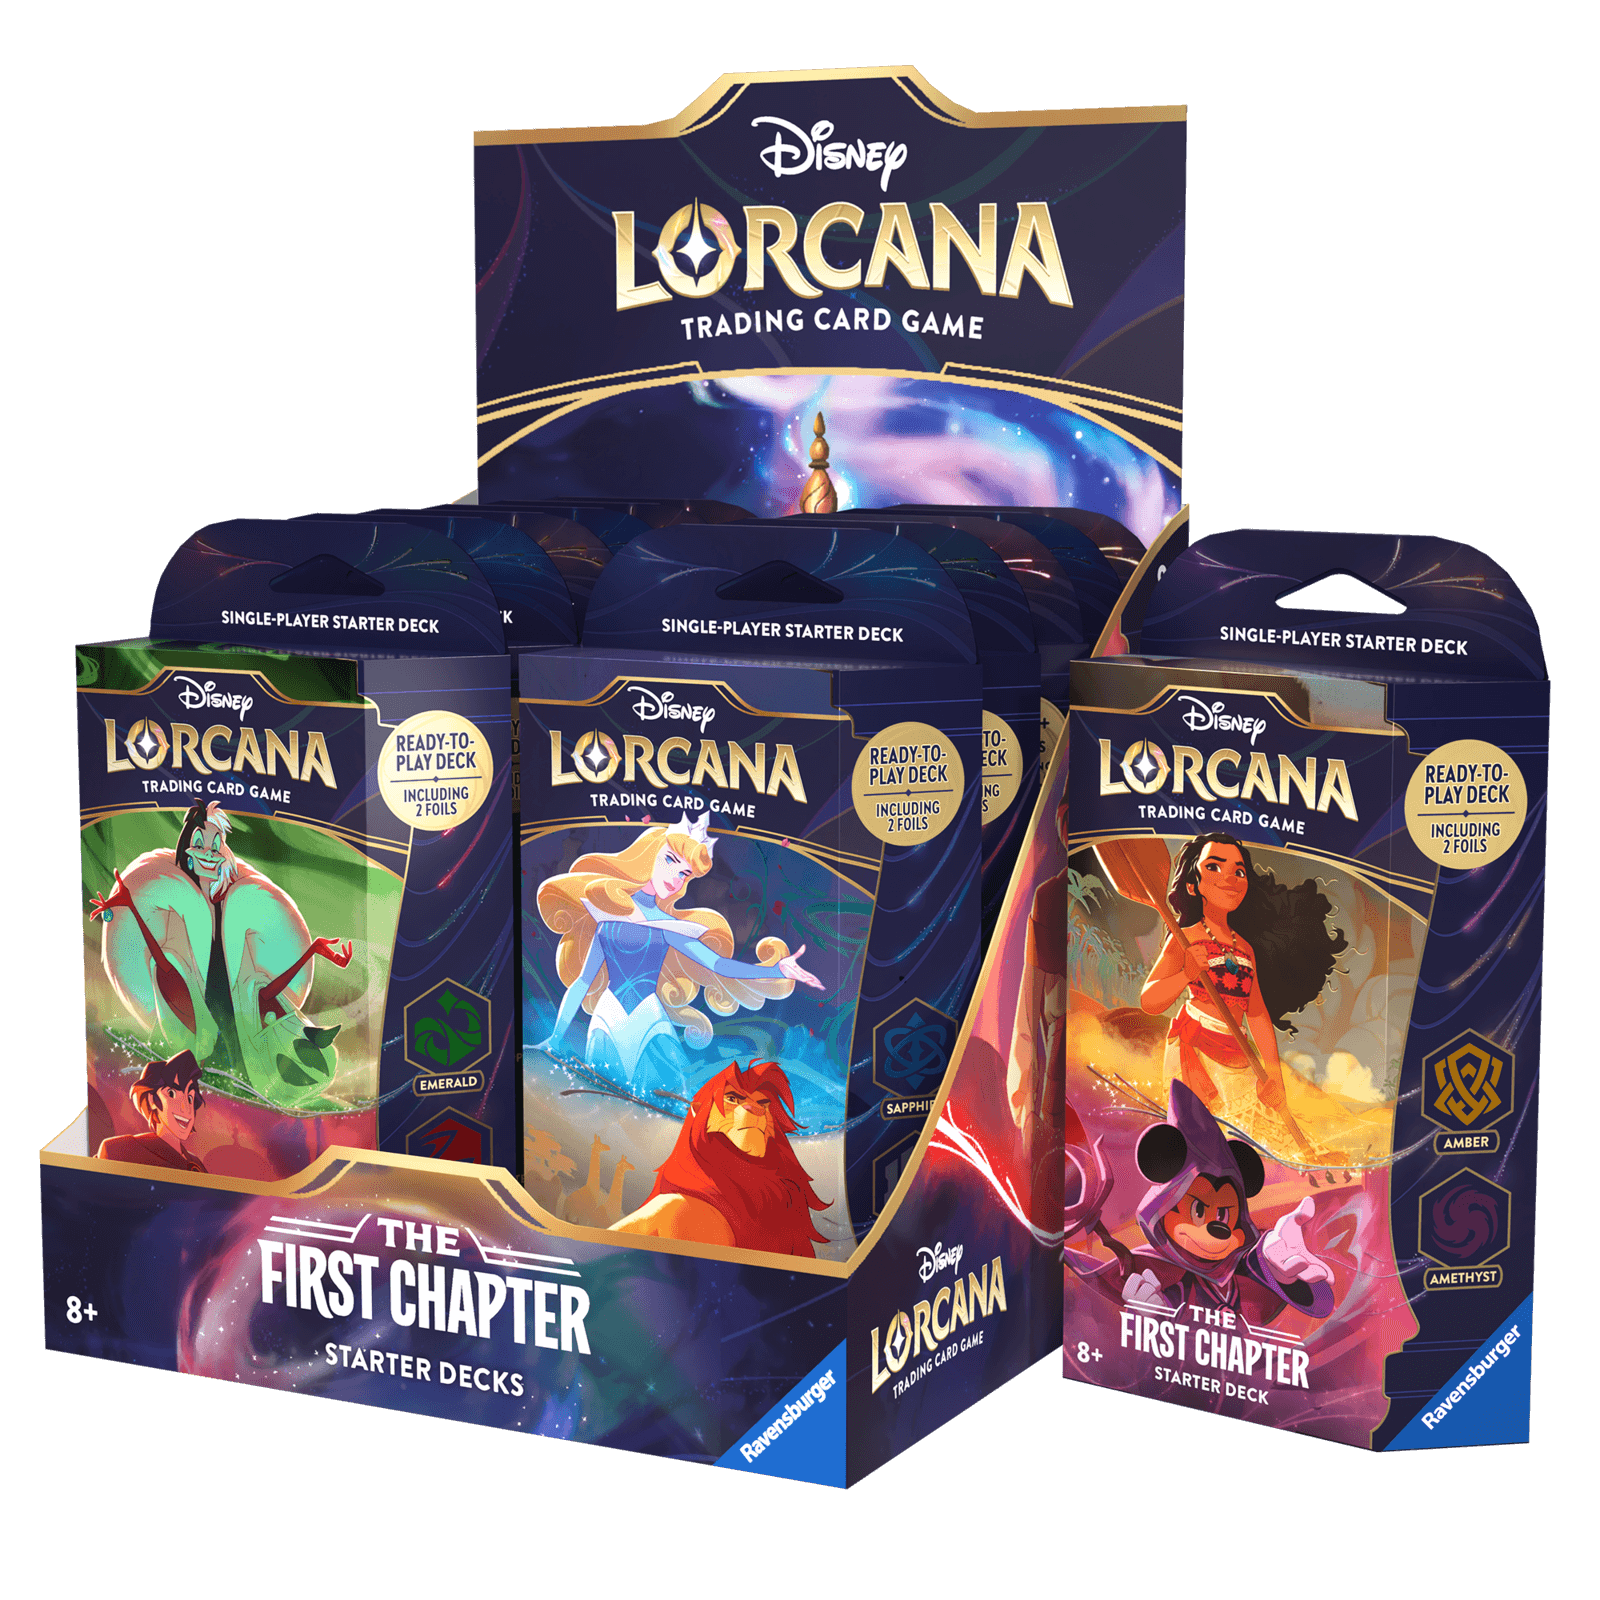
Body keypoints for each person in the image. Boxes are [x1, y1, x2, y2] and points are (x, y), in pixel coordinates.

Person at [535, 814, 822, 1097]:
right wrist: (555, 1038)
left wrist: (776, 971)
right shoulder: (606, 913)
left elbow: (718, 965)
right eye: (670, 861)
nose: (676, 878)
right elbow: (583, 982)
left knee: (673, 1099)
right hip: (607, 1017)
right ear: (649, 855)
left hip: (649, 1019)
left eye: (684, 873)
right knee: (601, 1097)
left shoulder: (669, 926)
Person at [91, 800, 353, 1107]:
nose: (208, 852)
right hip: (204, 1025)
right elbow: (166, 966)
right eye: (199, 843)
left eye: (215, 845)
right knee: (217, 1078)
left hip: (241, 1019)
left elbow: (263, 990)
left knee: (258, 1064)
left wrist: (312, 950)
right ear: (187, 849)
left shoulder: (231, 907)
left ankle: (299, 1063)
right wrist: (131, 906)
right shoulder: (181, 907)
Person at [1139, 832, 1345, 1148]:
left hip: (1237, 1051)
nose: (1230, 878)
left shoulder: (1246, 948)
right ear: (1193, 885)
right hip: (1195, 1048)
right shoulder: (1185, 938)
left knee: (1261, 1131)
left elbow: (1257, 1013)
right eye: (1213, 867)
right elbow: (1149, 999)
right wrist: (1185, 975)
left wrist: (1273, 1074)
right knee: (1208, 1133)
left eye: (1239, 871)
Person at [610, 1060, 829, 1254]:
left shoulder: (782, 1203)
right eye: (732, 1098)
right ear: (698, 1112)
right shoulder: (681, 1209)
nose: (755, 1109)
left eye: (763, 1104)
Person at [97, 1050, 210, 1172]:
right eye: (171, 1094)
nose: (186, 1108)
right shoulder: (120, 1151)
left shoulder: (197, 1165)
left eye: (189, 1098)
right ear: (152, 1099)